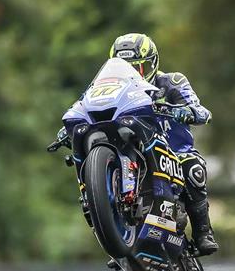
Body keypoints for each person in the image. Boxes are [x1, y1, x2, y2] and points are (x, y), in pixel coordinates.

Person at [79, 33, 219, 255]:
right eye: (127, 67)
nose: (134, 73)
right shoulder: (107, 86)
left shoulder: (172, 82)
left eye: (139, 67)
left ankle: (203, 232)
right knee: (89, 189)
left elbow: (202, 111)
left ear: (152, 63)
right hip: (134, 146)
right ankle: (117, 234)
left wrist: (187, 111)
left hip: (173, 151)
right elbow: (84, 103)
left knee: (193, 167)